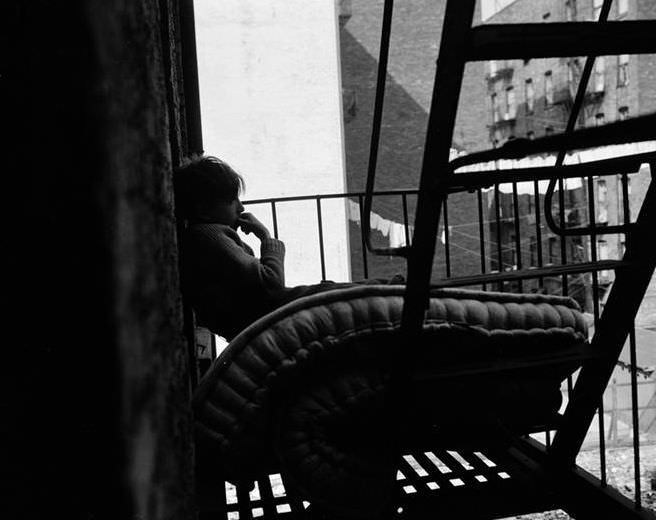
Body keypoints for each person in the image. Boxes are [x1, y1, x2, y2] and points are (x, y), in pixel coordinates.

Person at [174, 155, 402, 341]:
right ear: (204, 209)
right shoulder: (208, 235)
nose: (241, 207)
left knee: (344, 291)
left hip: (267, 319)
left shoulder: (204, 237)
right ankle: (401, 290)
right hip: (272, 317)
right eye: (232, 201)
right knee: (346, 294)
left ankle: (398, 289)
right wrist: (266, 238)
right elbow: (271, 284)